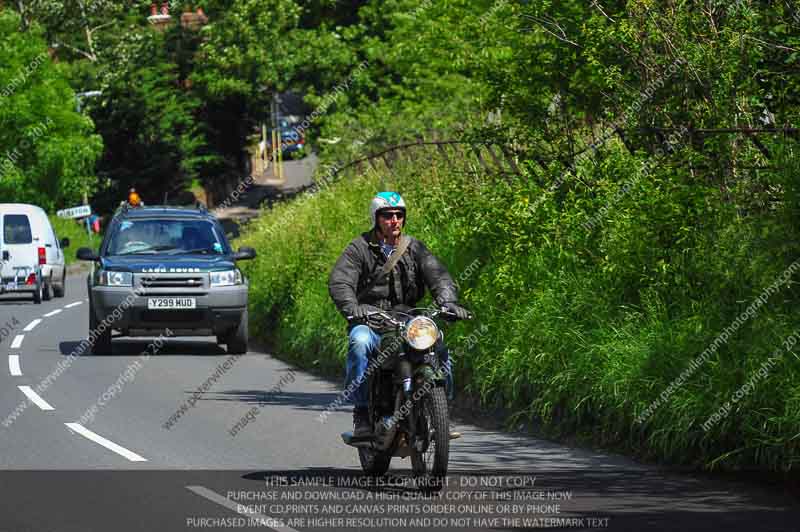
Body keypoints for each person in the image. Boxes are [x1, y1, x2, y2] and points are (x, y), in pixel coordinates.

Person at [328, 191, 470, 437]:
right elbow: (340, 281)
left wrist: (448, 302)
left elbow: (438, 275)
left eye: (398, 215)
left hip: (409, 320)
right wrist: (353, 308)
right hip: (371, 320)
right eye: (387, 216)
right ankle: (362, 413)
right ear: (376, 218)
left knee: (439, 345)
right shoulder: (359, 248)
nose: (394, 220)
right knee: (359, 343)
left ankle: (442, 412)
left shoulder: (414, 247)